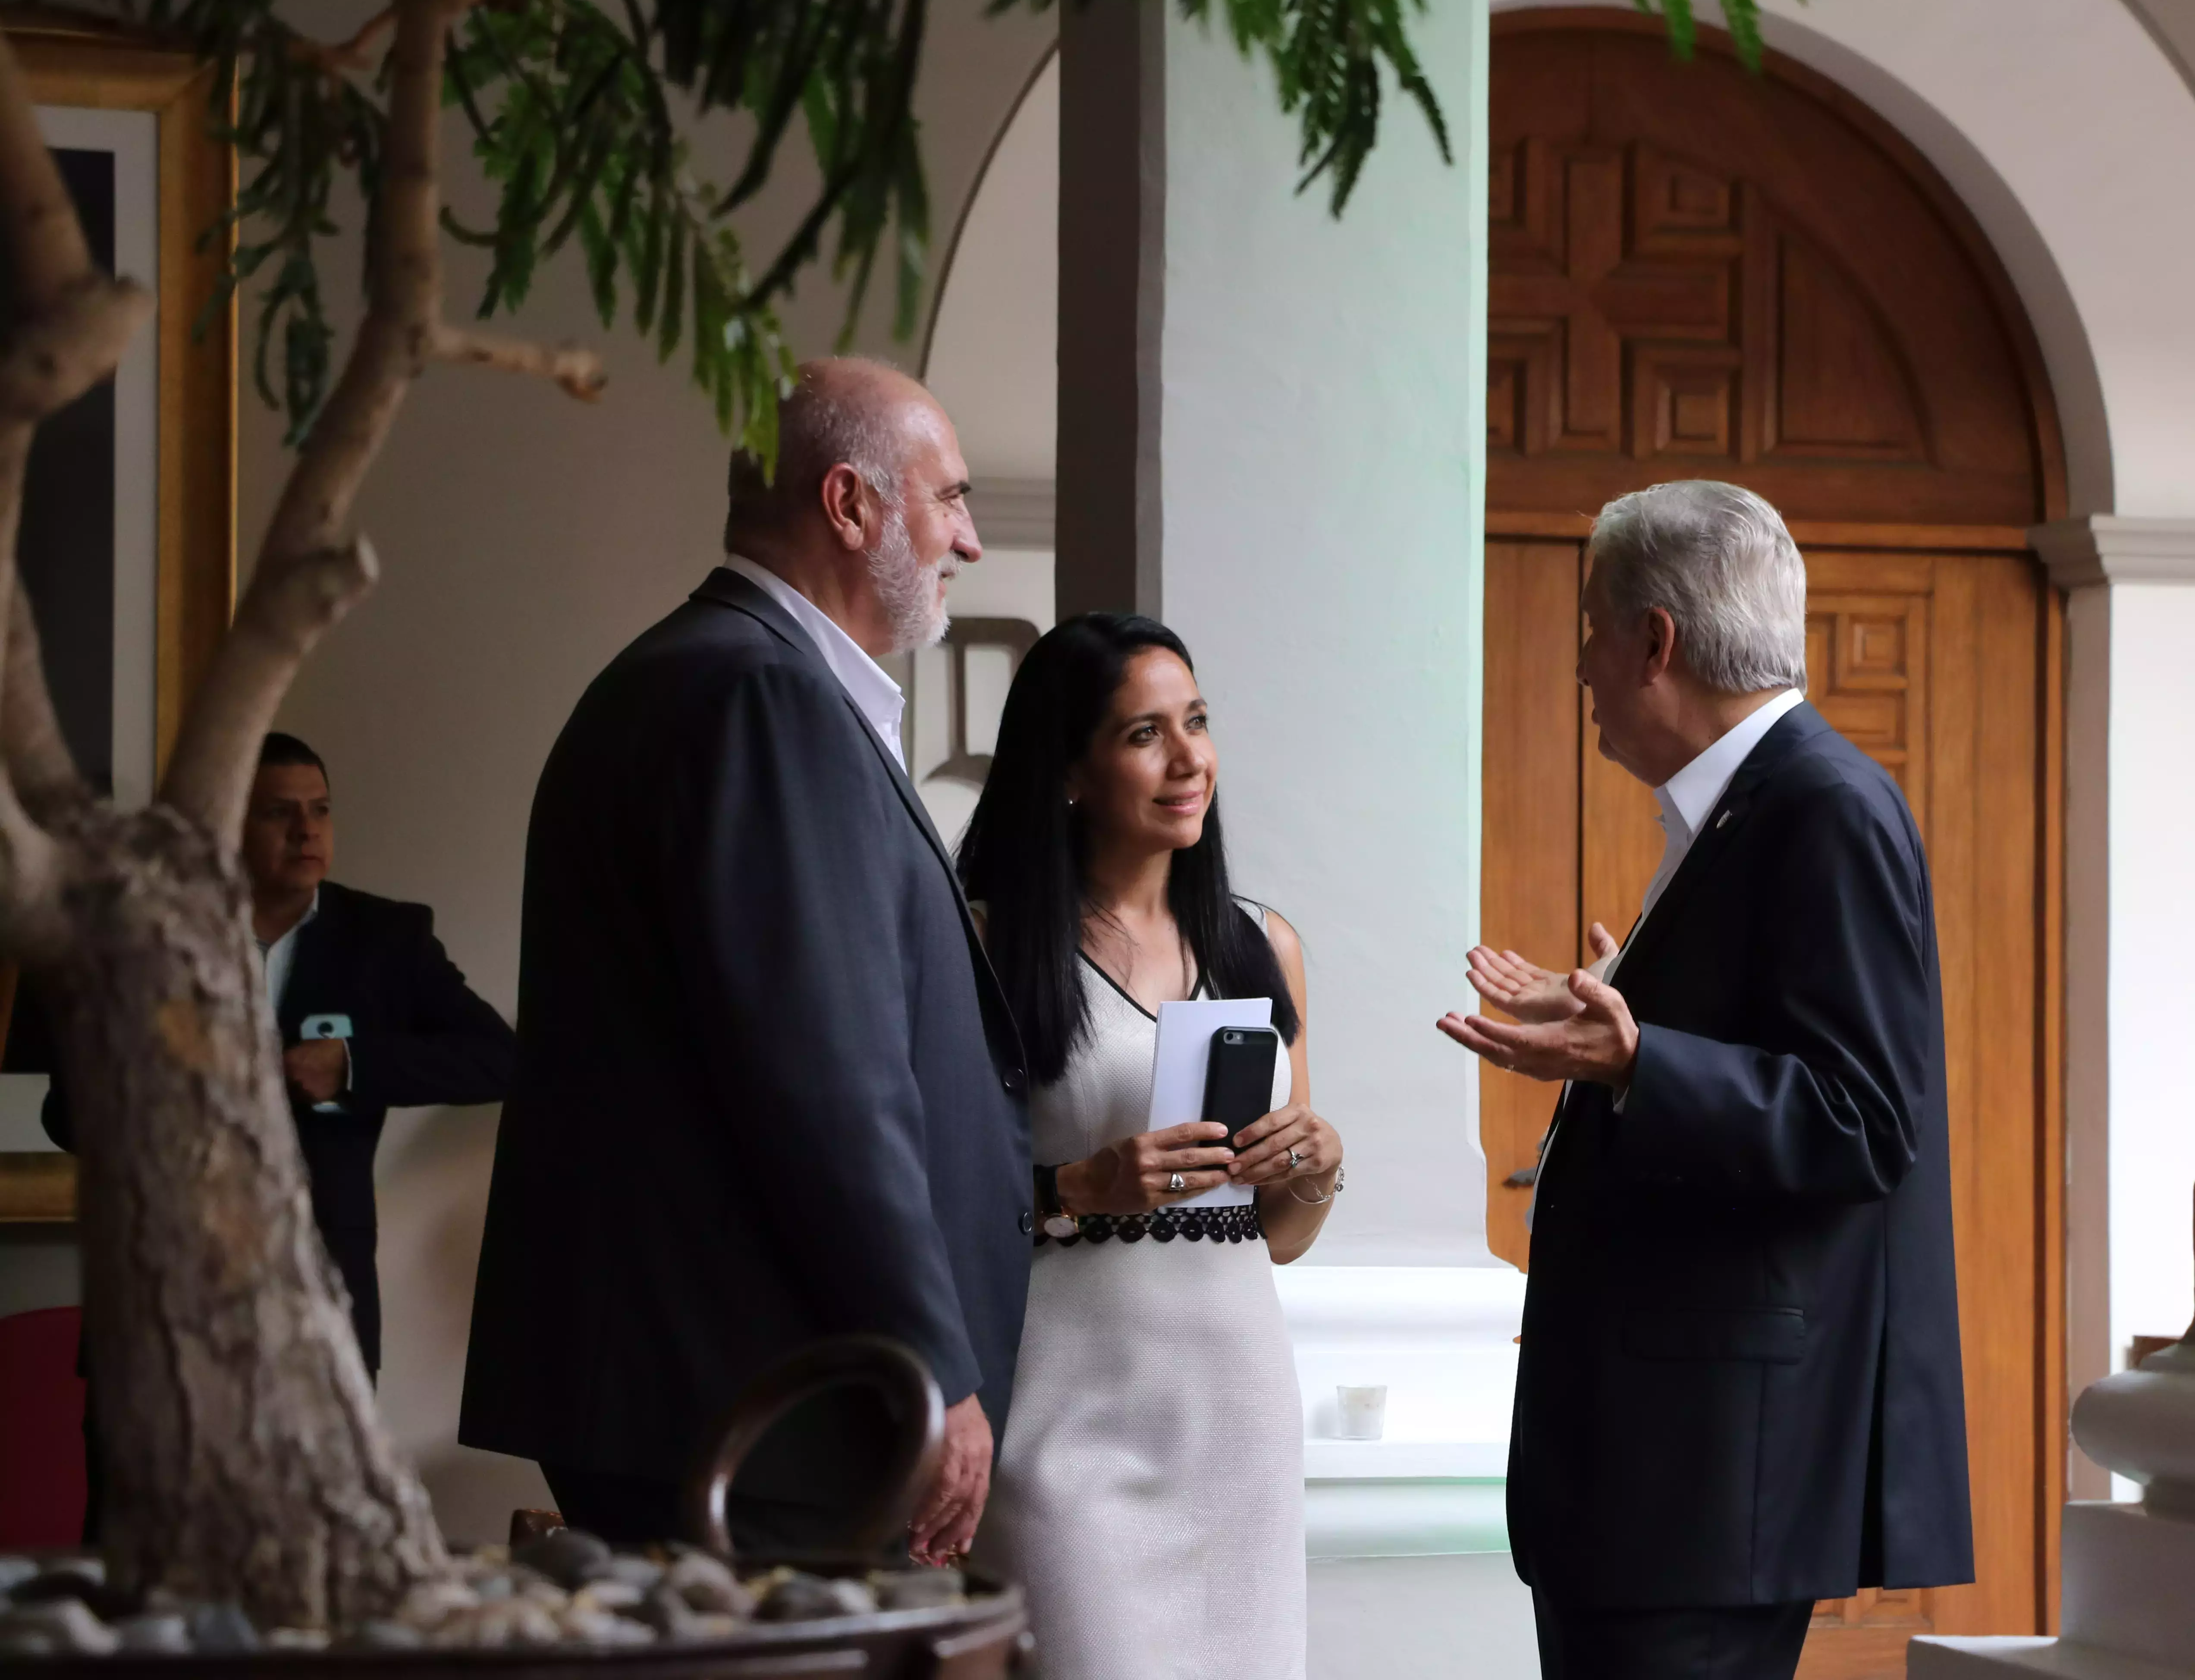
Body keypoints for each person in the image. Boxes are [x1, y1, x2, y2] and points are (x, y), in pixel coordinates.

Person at [459, 360, 1032, 1562]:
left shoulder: (690, 675)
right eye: (951, 501)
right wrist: (933, 1368)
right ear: (850, 504)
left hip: (711, 1396)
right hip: (766, 1406)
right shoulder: (761, 697)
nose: (970, 542)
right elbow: (828, 1084)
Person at [1435, 480, 1971, 1680]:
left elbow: (1866, 1120)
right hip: (1660, 1477)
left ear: (1654, 642)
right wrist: (1632, 1022)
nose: (1581, 665)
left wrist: (1637, 1057)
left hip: (1709, 1484)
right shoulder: (1745, 809)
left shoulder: (1825, 806)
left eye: (1589, 628)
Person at [958, 613, 1340, 1680]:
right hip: (1065, 1425)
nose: (1190, 760)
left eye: (1199, 722)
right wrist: (1079, 1183)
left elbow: (1282, 1238)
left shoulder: (1264, 945)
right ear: (1070, 771)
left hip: (1237, 1421)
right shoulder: (985, 945)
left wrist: (1315, 1161)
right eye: (1145, 734)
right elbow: (938, 1195)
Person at [31, 730, 515, 1378]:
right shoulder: (144, 936)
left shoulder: (387, 940)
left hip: (320, 1299)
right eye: (279, 812)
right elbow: (65, 1113)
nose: (306, 831)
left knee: (318, 1483)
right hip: (167, 1289)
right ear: (229, 822)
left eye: (320, 809)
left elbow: (501, 1060)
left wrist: (351, 1066)